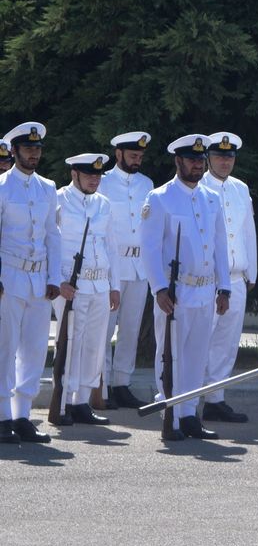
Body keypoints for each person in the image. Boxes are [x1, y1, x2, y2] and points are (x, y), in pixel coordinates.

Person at [140, 134, 231, 441]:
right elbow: (150, 249)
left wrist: (225, 287)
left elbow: (220, 244)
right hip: (175, 292)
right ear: (178, 161)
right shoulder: (160, 198)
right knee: (170, 355)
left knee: (196, 356)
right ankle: (172, 413)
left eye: (199, 160)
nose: (196, 165)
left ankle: (190, 413)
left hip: (205, 291)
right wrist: (159, 288)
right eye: (191, 159)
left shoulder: (211, 198)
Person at [0, 122, 60, 444]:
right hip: (8, 276)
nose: (34, 154)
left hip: (39, 279)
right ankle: (1, 416)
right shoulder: (1, 187)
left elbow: (53, 234)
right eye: (28, 149)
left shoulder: (47, 188)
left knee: (35, 350)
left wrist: (55, 277)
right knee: (4, 349)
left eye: (37, 149)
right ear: (15, 151)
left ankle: (22, 415)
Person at [52, 154, 121, 426]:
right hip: (71, 286)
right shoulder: (58, 200)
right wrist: (58, 282)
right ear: (74, 175)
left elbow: (111, 247)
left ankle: (82, 401)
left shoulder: (104, 204)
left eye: (98, 175)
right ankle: (64, 400)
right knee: (70, 343)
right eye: (89, 174)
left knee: (94, 345)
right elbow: (51, 244)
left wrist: (114, 286)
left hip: (100, 284)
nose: (95, 179)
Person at [199, 131, 256, 423]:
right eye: (220, 156)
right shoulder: (198, 186)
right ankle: (185, 401)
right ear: (208, 157)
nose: (225, 161)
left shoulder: (240, 188)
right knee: (199, 341)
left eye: (229, 156)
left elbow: (248, 231)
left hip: (236, 277)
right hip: (207, 280)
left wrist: (252, 270)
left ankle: (215, 399)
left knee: (226, 343)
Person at [98, 130, 155, 410]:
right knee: (105, 328)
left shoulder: (147, 184)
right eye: (133, 155)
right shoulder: (103, 183)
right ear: (118, 154)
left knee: (130, 329)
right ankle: (101, 385)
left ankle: (121, 383)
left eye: (140, 156)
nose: (137, 160)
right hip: (113, 265)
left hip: (139, 265)